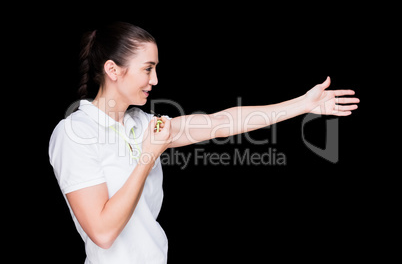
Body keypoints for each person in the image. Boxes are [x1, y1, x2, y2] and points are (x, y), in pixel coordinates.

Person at [48, 21, 359, 263]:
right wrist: (147, 156)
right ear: (113, 70)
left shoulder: (142, 124)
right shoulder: (75, 132)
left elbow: (220, 123)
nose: (155, 80)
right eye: (148, 69)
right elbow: (103, 233)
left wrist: (302, 104)